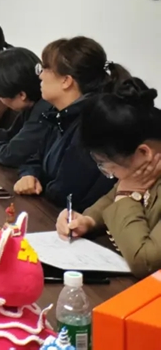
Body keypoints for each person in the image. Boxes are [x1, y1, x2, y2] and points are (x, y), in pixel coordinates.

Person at [56, 78, 161, 278]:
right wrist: (87, 220)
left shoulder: (141, 174)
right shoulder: (146, 167)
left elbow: (144, 260)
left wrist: (127, 194)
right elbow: (114, 194)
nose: (110, 174)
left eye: (108, 166)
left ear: (143, 153)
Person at [15, 36, 128, 211]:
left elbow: (67, 192)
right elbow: (35, 158)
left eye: (45, 68)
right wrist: (29, 175)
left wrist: (40, 184)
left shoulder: (93, 123)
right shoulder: (59, 115)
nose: (40, 75)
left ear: (66, 81)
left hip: (77, 219)